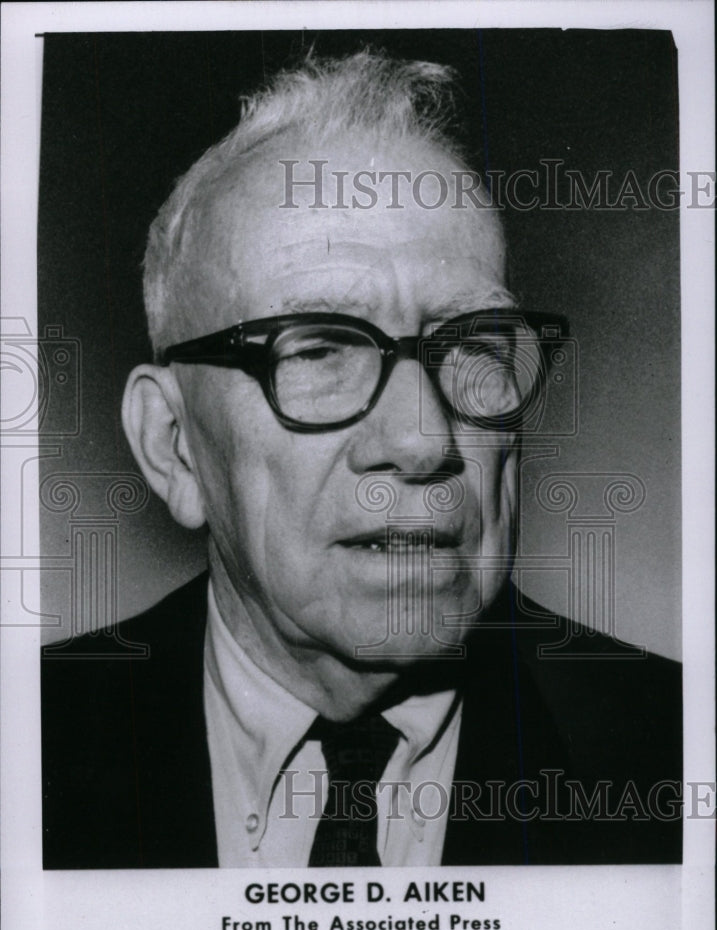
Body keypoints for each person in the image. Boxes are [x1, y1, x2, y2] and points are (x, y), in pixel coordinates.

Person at [42, 51, 681, 869]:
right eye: (317, 351)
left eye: (471, 346)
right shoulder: (24, 749)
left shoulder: (673, 750)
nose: (423, 444)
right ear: (172, 446)